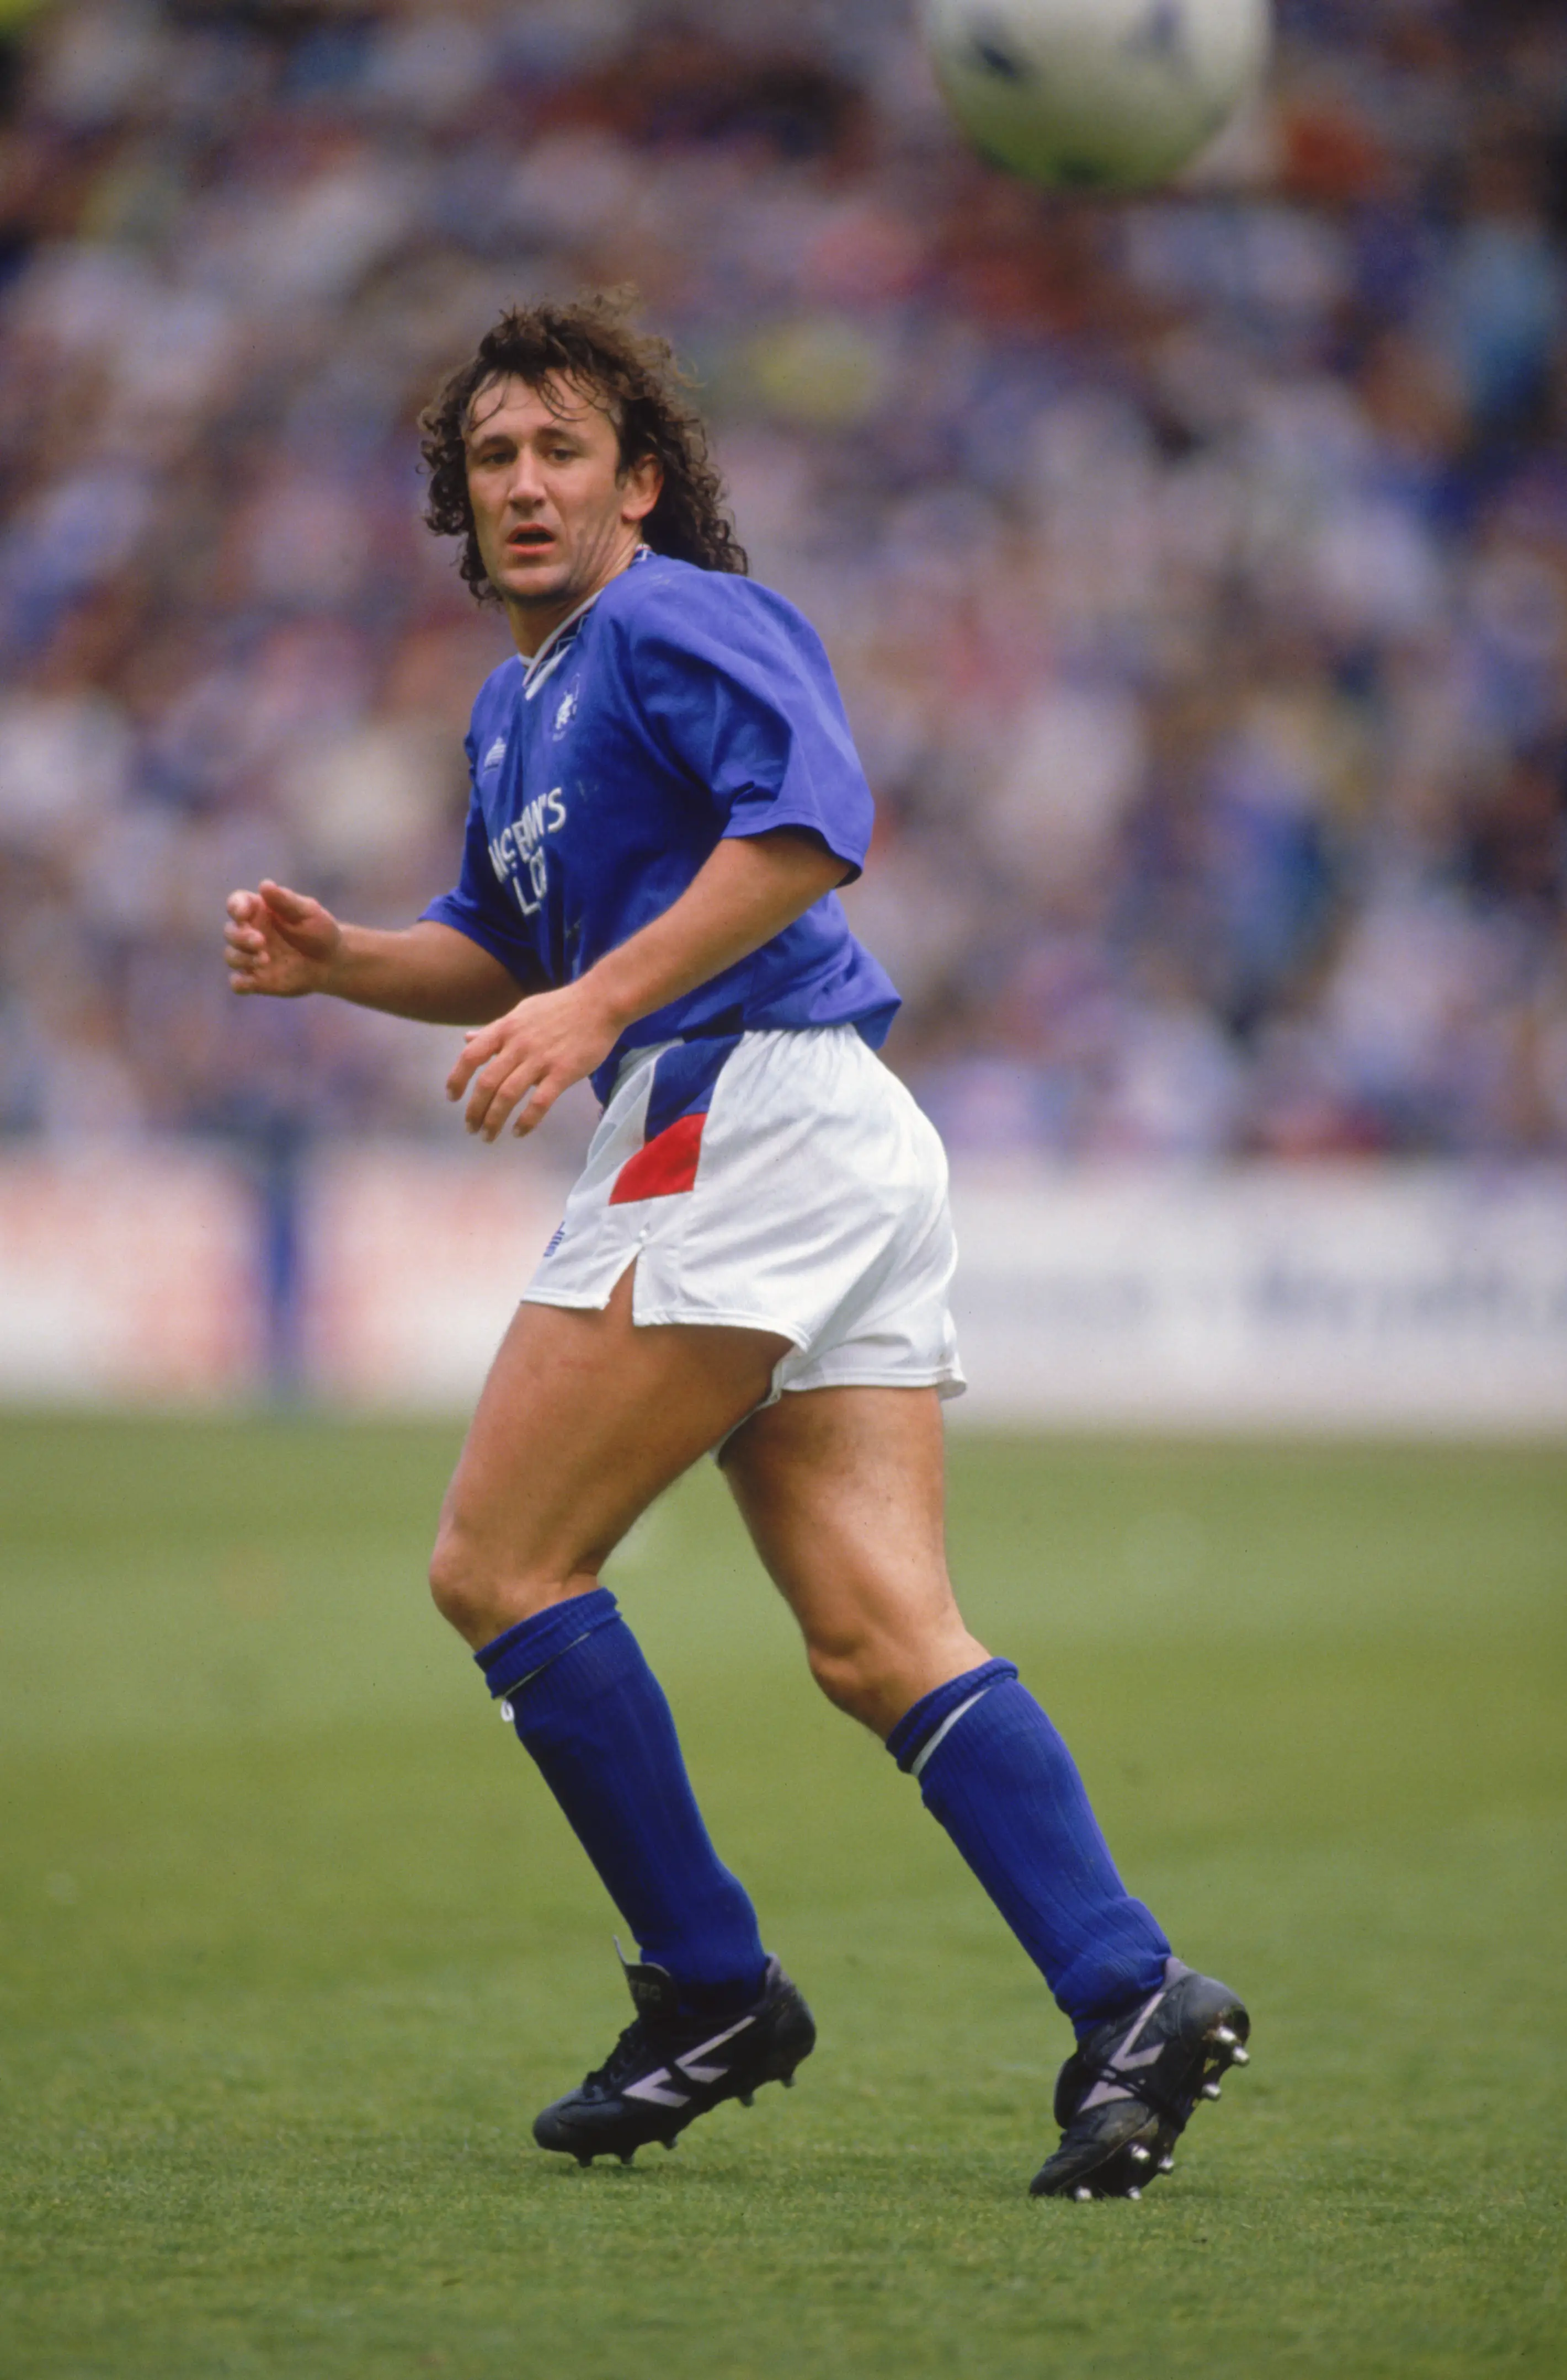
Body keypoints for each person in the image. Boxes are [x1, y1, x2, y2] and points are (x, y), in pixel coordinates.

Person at [223, 294, 1249, 2201]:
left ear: (640, 477)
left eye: (563, 450)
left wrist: (602, 1008)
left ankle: (711, 1986)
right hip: (825, 1128)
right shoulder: (518, 698)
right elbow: (507, 948)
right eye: (493, 456)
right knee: (879, 1639)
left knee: (501, 1561)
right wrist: (348, 959)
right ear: (461, 494)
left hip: (747, 1110)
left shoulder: (677, 613)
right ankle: (1129, 1991)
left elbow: (810, 829)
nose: (526, 483)